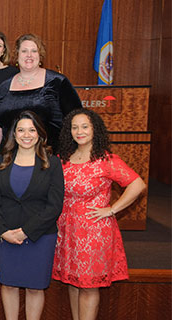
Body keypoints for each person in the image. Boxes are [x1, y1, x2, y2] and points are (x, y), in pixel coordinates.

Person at [53, 109, 146, 320]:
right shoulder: (63, 159)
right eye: (74, 127)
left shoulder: (106, 160)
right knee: (73, 282)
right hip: (67, 230)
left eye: (85, 126)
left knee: (88, 286)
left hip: (94, 231)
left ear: (95, 129)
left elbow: (137, 184)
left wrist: (111, 209)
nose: (79, 131)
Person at [0, 111, 64, 320]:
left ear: (39, 133)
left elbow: (55, 205)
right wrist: (3, 231)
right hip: (6, 235)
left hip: (40, 236)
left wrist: (26, 232)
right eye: (21, 130)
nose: (26, 135)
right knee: (9, 285)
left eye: (32, 130)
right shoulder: (0, 161)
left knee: (35, 288)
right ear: (14, 134)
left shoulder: (52, 163)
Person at [0, 33, 81, 152]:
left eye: (34, 51)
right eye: (24, 51)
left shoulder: (57, 81)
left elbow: (76, 117)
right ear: (17, 55)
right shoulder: (3, 87)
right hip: (11, 156)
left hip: (50, 154)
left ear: (40, 55)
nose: (29, 55)